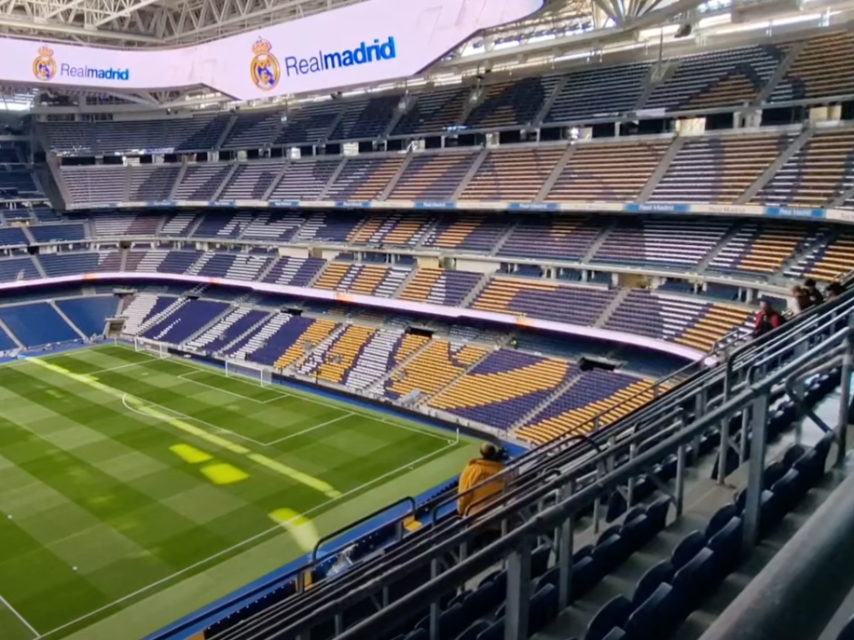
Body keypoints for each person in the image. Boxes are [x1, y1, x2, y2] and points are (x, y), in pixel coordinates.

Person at [458, 443, 506, 518]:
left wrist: (461, 511)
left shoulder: (472, 470)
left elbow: (464, 495)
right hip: (501, 511)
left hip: (476, 515)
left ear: (481, 453)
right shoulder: (502, 469)